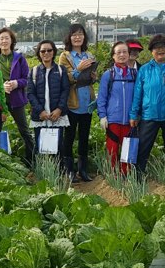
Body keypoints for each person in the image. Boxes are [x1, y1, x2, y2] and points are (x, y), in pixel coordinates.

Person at [130, 34, 165, 179]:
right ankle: (138, 177)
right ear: (151, 51)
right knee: (143, 149)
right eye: (156, 48)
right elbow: (138, 93)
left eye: (164, 47)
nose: (160, 50)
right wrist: (134, 114)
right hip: (149, 115)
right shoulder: (145, 69)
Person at [58, 24, 97, 182]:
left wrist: (93, 77)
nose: (77, 37)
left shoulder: (89, 55)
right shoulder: (65, 56)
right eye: (74, 34)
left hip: (87, 102)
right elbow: (64, 78)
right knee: (69, 137)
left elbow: (90, 78)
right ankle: (69, 170)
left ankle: (83, 169)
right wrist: (78, 69)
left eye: (80, 34)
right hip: (72, 102)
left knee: (84, 137)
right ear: (69, 37)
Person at [0, 28, 35, 165]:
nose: (4, 41)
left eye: (6, 38)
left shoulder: (20, 59)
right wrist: (1, 87)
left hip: (17, 100)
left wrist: (16, 83)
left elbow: (26, 79)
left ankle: (32, 159)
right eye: (1, 38)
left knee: (24, 130)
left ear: (12, 41)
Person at [97, 41, 136, 175]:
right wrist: (102, 116)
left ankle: (126, 177)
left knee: (128, 153)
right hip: (113, 120)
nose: (122, 55)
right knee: (112, 151)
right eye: (118, 52)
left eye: (125, 52)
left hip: (131, 121)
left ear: (129, 55)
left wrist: (136, 114)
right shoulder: (109, 75)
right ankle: (112, 178)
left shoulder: (134, 74)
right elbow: (102, 97)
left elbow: (139, 97)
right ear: (113, 56)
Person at [27, 40, 70, 161]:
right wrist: (40, 111)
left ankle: (59, 175)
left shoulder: (61, 70)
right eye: (43, 51)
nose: (46, 53)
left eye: (49, 50)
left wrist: (59, 109)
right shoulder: (34, 71)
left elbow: (65, 90)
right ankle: (42, 175)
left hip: (57, 116)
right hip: (40, 117)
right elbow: (30, 93)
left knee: (58, 148)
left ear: (54, 52)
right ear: (39, 53)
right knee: (41, 148)